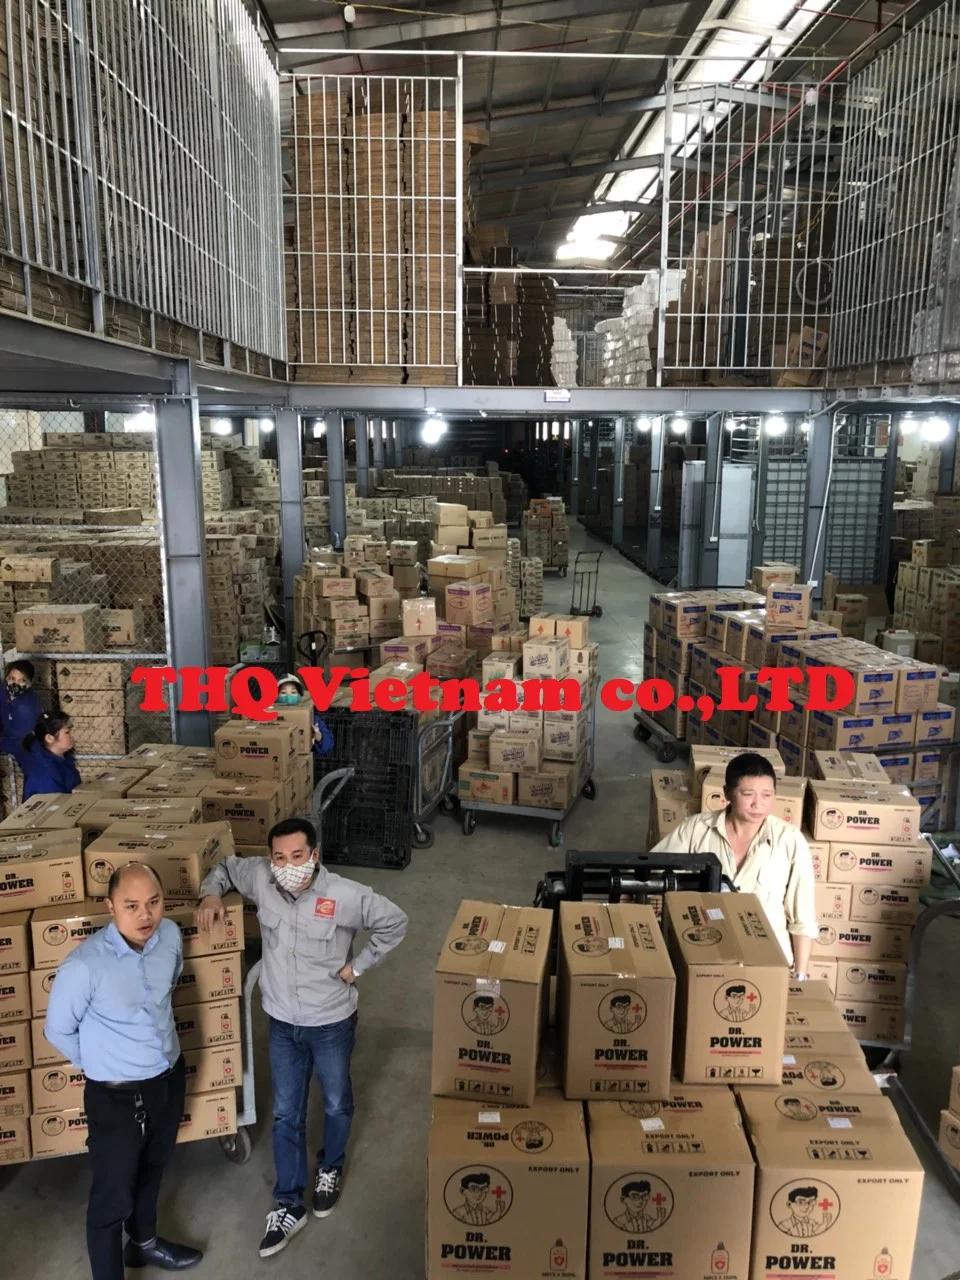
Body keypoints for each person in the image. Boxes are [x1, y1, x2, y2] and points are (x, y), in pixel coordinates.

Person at [196, 816, 408, 1258]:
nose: (288, 866)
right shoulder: (260, 877)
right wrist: (211, 894)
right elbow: (225, 867)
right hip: (281, 1022)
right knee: (286, 1113)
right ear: (270, 858)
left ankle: (330, 1166)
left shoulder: (346, 896)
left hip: (330, 1021)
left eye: (297, 856)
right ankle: (289, 1203)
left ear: (315, 855)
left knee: (336, 1101)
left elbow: (395, 922)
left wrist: (357, 967)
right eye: (279, 858)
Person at [44, 863, 201, 1280]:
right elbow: (57, 1030)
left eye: (154, 902)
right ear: (110, 906)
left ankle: (144, 1244)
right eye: (131, 905)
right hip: (115, 1096)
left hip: (167, 1078)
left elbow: (167, 991)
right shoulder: (84, 966)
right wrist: (102, 1064)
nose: (145, 915)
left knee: (154, 1167)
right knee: (111, 1198)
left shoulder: (170, 936)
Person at [651, 751, 817, 977]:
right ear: (727, 793)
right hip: (704, 957)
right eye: (747, 794)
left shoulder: (789, 840)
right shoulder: (697, 829)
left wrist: (800, 975)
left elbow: (802, 916)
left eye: (767, 795)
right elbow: (651, 869)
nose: (758, 804)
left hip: (767, 962)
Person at [275, 674, 334, 783]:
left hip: (303, 774)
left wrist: (319, 736)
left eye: (293, 692)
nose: (288, 697)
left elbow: (327, 746)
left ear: (299, 696)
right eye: (283, 693)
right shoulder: (267, 718)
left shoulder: (311, 719)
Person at [21, 710, 81, 800]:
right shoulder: (46, 772)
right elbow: (55, 804)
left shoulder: (63, 758)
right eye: (67, 732)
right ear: (49, 738)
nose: (72, 736)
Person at [0, 659, 44, 770]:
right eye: (12, 678)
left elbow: (17, 741)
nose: (15, 684)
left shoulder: (27, 707)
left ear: (29, 683)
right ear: (6, 679)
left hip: (21, 748)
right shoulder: (4, 692)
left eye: (22, 680)